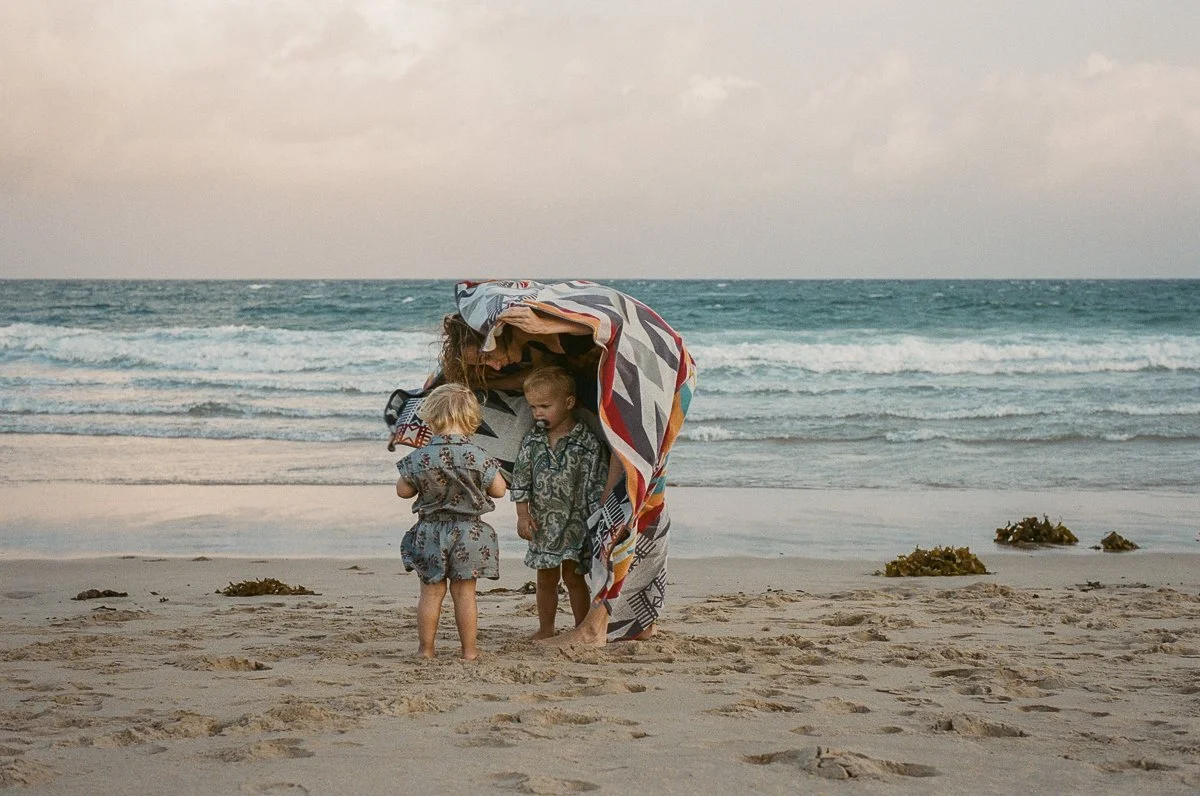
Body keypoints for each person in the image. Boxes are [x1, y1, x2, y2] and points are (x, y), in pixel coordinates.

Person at [394, 383, 507, 660]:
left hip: (431, 530)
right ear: (472, 420)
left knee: (430, 594)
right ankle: (469, 651)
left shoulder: (421, 456)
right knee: (465, 594)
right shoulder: (479, 456)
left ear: (430, 418)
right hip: (470, 533)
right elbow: (500, 490)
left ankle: (426, 650)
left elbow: (402, 491)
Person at [510, 366, 610, 640]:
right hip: (543, 523)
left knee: (575, 578)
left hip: (576, 524)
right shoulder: (532, 440)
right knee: (545, 580)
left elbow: (597, 484)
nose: (538, 413)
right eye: (532, 407)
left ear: (568, 403)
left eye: (544, 405)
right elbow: (520, 479)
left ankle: (581, 628)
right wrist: (522, 515)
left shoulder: (587, 442)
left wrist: (596, 523)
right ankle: (546, 629)